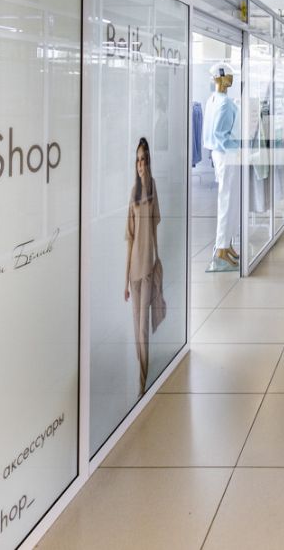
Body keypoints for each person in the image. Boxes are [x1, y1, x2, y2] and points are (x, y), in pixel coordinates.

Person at [124, 137, 161, 393]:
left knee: (143, 329)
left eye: (143, 160)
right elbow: (129, 238)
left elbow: (155, 228)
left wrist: (158, 259)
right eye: (137, 160)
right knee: (136, 328)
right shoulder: (133, 194)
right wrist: (125, 282)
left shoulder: (152, 189)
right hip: (134, 271)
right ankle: (141, 372)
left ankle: (142, 383)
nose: (140, 165)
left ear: (148, 162)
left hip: (147, 269)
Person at [202, 62, 241, 271]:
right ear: (220, 78)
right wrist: (238, 149)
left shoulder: (212, 100)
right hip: (227, 155)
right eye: (228, 76)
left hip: (218, 155)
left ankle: (227, 243)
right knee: (228, 200)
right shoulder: (225, 103)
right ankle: (222, 249)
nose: (231, 79)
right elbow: (221, 135)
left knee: (228, 199)